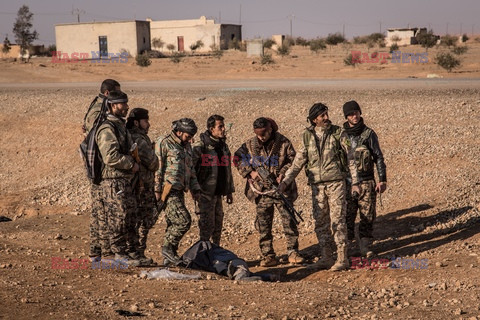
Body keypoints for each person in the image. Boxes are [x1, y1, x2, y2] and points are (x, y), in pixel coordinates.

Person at [278, 103, 354, 271]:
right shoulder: (307, 136)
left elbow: (351, 158)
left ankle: (342, 258)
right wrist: (285, 182)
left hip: (336, 184)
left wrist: (355, 182)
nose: (326, 118)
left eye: (327, 114)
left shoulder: (338, 133)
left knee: (338, 220)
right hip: (317, 187)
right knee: (320, 222)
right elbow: (298, 163)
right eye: (322, 116)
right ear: (314, 120)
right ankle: (326, 257)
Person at [234, 117, 304, 267]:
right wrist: (250, 173)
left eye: (263, 134)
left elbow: (293, 160)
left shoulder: (283, 142)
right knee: (264, 224)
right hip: (261, 191)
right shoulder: (250, 145)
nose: (261, 137)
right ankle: (268, 255)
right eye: (258, 134)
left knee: (289, 220)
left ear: (270, 130)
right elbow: (237, 158)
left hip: (281, 190)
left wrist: (282, 174)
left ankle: (293, 252)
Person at [96, 91, 141, 266]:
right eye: (123, 104)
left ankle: (123, 253)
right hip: (113, 181)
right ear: (113, 105)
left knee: (128, 216)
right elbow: (110, 157)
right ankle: (116, 255)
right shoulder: (108, 128)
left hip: (123, 180)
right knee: (118, 217)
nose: (126, 107)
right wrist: (131, 163)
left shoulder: (119, 126)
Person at [340, 100, 387, 258]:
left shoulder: (369, 134)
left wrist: (382, 179)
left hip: (367, 181)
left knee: (367, 215)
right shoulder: (342, 135)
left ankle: (365, 247)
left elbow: (378, 157)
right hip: (347, 183)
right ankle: (347, 248)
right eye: (351, 114)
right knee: (347, 216)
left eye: (356, 112)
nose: (355, 116)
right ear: (346, 116)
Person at [155, 118, 201, 266]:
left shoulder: (187, 147)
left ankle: (170, 257)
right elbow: (158, 167)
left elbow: (191, 169)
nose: (190, 139)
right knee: (183, 221)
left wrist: (195, 188)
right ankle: (167, 249)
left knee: (172, 223)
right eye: (188, 136)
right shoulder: (164, 142)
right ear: (179, 132)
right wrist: (157, 190)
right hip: (167, 191)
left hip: (180, 190)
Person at [83, 79, 121, 262]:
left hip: (98, 165)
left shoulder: (98, 106)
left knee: (99, 211)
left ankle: (96, 251)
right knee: (102, 211)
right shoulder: (99, 110)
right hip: (99, 167)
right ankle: (103, 253)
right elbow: (96, 135)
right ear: (107, 94)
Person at [192, 115, 234, 246]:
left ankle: (215, 252)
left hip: (218, 193)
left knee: (218, 225)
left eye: (223, 126)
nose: (223, 129)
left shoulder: (223, 146)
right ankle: (204, 254)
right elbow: (190, 169)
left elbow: (227, 169)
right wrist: (194, 190)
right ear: (211, 129)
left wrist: (229, 191)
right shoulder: (200, 147)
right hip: (205, 194)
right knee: (206, 227)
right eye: (220, 126)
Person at [126, 108, 160, 266]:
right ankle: (137, 253)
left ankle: (134, 252)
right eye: (145, 121)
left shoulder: (132, 136)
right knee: (143, 220)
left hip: (136, 186)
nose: (149, 124)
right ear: (136, 122)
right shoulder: (139, 139)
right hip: (141, 187)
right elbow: (153, 163)